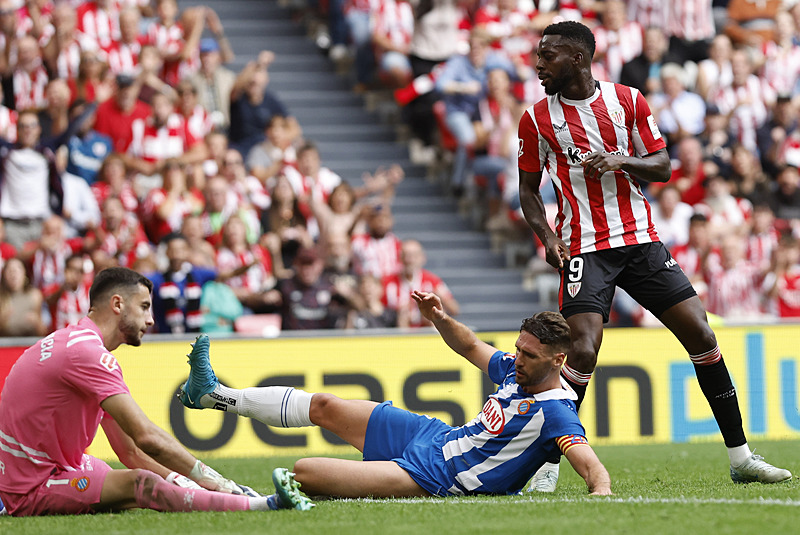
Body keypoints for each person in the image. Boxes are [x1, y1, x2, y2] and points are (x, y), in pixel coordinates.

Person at [517, 20, 791, 491]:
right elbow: (528, 190)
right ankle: (548, 466)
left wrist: (621, 160)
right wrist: (547, 237)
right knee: (581, 349)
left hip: (640, 240)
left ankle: (741, 457)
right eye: (538, 55)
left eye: (549, 55)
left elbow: (663, 166)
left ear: (578, 58)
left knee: (702, 335)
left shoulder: (627, 101)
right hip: (584, 245)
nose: (539, 64)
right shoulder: (537, 118)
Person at [179, 291, 611, 497]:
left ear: (557, 361)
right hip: (435, 437)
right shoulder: (517, 371)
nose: (516, 358)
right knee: (325, 406)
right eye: (517, 347)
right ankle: (213, 394)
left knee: (304, 471)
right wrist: (438, 317)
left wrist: (601, 496)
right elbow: (469, 345)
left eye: (528, 354)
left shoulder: (556, 413)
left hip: (439, 479)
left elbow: (593, 469)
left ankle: (245, 501)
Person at [0, 266, 312, 516]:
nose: (151, 319)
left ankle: (228, 496)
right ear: (117, 304)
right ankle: (262, 505)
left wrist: (189, 480)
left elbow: (130, 451)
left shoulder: (78, 345)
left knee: (126, 475)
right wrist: (212, 478)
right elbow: (146, 437)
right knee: (142, 484)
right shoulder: (86, 354)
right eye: (145, 307)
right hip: (30, 484)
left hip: (56, 465)